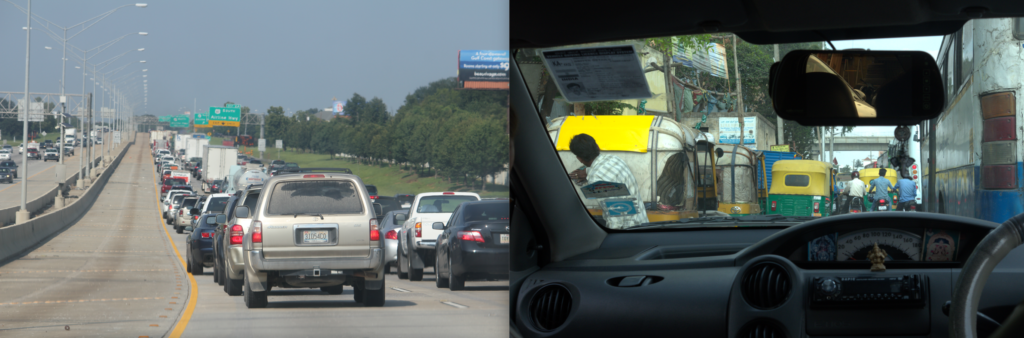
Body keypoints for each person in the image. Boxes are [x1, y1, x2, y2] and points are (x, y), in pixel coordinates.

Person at [568, 133, 649, 229]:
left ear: (579, 158)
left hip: (628, 231)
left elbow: (616, 218)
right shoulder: (614, 159)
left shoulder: (596, 179)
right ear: (597, 147)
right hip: (643, 223)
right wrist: (587, 171)